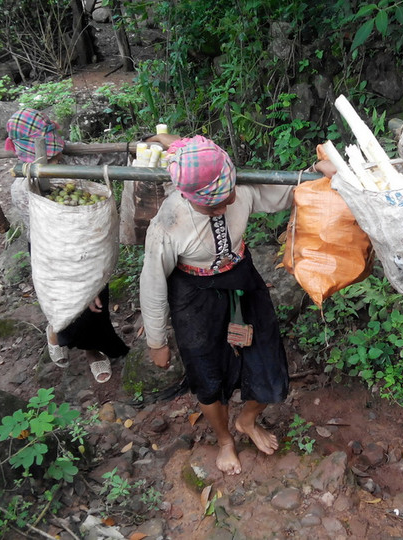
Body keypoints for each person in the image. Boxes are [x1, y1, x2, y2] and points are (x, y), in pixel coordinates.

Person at [139, 134, 293, 475]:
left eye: (227, 198)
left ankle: (248, 420)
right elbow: (151, 282)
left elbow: (289, 191)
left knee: (269, 362)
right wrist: (156, 340)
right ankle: (225, 439)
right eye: (210, 205)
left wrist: (318, 172)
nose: (221, 208)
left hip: (241, 278)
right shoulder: (169, 222)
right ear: (186, 196)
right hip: (193, 293)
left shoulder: (242, 186)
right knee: (206, 372)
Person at [5, 108, 130, 383]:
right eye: (49, 155)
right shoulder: (21, 189)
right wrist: (84, 282)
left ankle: (87, 346)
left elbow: (103, 156)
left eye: (55, 151)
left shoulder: (68, 159)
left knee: (96, 309)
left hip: (88, 247)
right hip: (52, 254)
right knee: (67, 304)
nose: (56, 157)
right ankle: (68, 338)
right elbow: (50, 239)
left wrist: (138, 146)